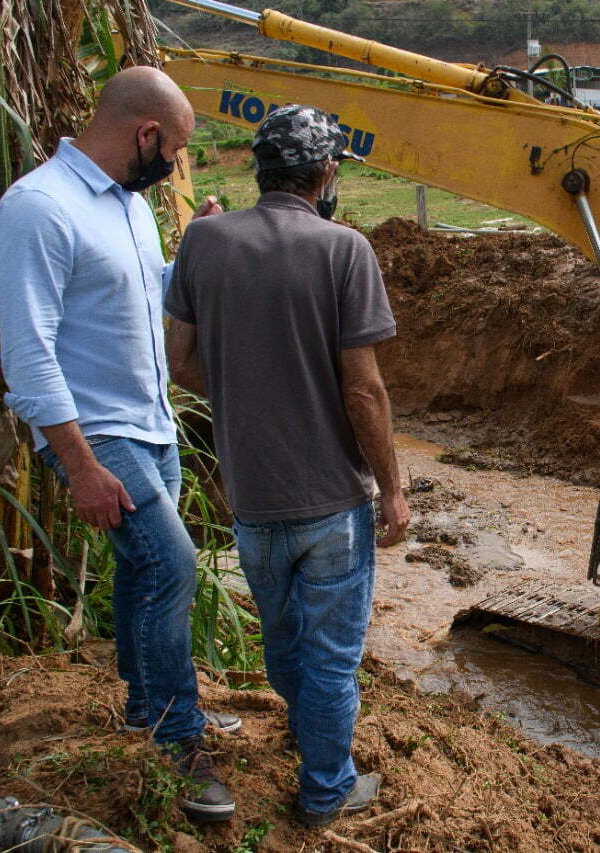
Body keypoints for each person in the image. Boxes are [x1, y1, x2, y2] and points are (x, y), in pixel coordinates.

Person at [0, 66, 237, 822]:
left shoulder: (127, 208)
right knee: (172, 561)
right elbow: (28, 355)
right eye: (176, 150)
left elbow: (140, 293)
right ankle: (175, 735)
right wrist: (78, 463)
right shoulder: (39, 208)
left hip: (147, 418)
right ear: (146, 134)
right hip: (94, 430)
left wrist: (187, 254)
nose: (174, 167)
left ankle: (144, 707)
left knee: (142, 569)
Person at [163, 104, 411, 828]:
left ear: (258, 167)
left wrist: (247, 395)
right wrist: (392, 490)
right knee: (332, 658)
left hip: (251, 502)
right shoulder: (343, 249)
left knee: (282, 638)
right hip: (332, 501)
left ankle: (311, 733)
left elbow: (180, 360)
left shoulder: (203, 242)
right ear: (326, 171)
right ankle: (326, 787)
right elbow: (363, 387)